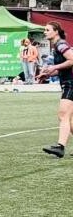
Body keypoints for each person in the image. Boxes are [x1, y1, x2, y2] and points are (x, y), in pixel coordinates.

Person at [36, 22, 73, 158]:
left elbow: (71, 60)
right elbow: (65, 68)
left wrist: (53, 67)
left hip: (71, 84)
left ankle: (60, 147)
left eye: (47, 30)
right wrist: (48, 74)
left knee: (63, 114)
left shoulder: (60, 45)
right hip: (68, 82)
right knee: (66, 118)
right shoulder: (57, 46)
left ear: (56, 31)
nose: (45, 32)